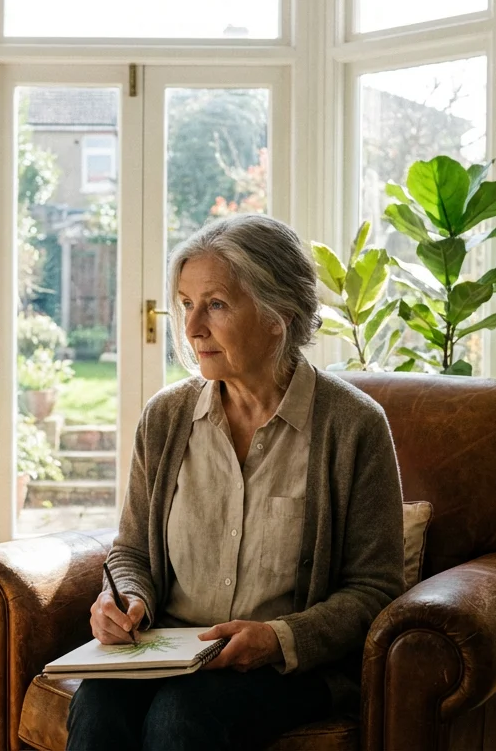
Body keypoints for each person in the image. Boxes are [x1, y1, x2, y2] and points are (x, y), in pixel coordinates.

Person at [65, 214, 406, 751]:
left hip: (289, 670)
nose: (192, 326)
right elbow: (131, 551)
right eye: (186, 303)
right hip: (172, 646)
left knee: (183, 717)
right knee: (97, 704)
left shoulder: (353, 426)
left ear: (279, 316)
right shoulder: (165, 418)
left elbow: (376, 590)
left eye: (216, 304)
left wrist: (278, 639)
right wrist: (125, 598)